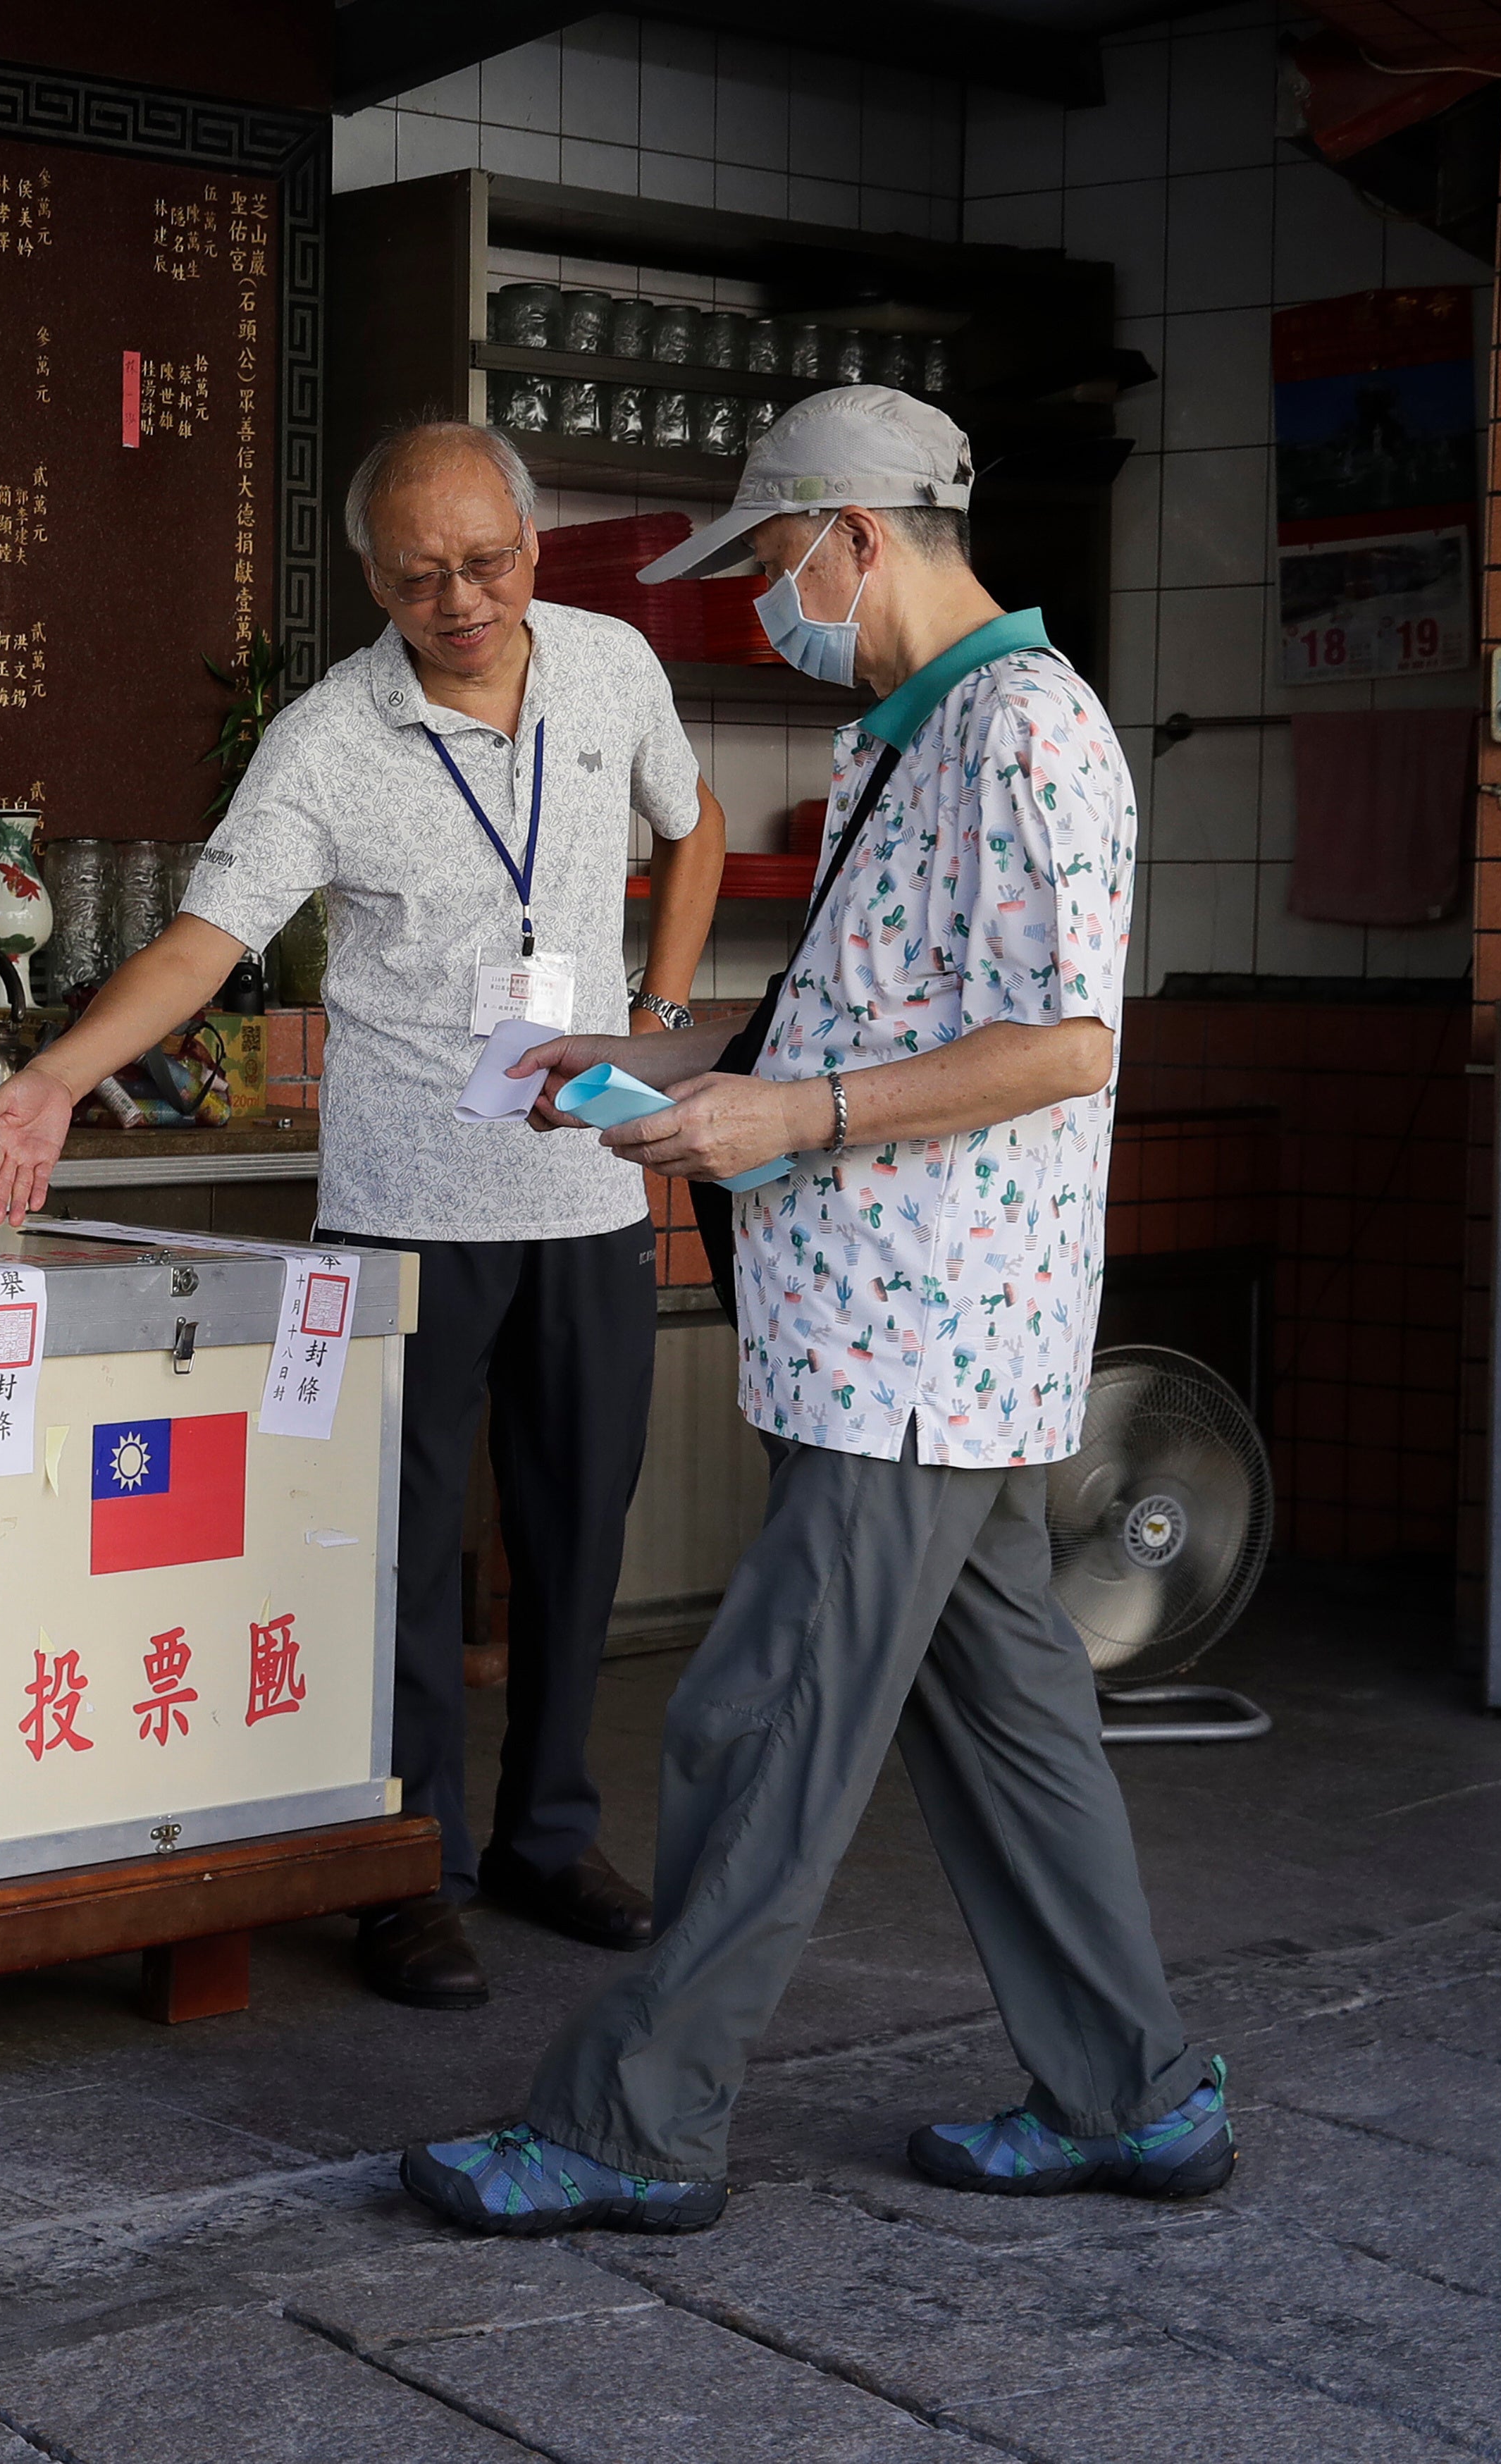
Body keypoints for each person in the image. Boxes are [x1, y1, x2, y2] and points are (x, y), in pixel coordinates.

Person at [404, 388, 1231, 2238]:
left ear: (859, 535)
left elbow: (1064, 1042)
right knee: (1012, 1731)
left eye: (776, 562)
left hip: (919, 1350)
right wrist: (642, 1067)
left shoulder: (1026, 731)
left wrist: (793, 1120)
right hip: (898, 1341)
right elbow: (856, 1014)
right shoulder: (910, 734)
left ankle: (635, 2120)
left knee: (759, 1722)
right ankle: (1134, 2094)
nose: (768, 603)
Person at [0, 419, 731, 2009]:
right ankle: (405, 1868)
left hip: (589, 1189)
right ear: (372, 580)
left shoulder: (609, 665)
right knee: (398, 1553)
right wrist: (53, 1077)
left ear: (533, 546)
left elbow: (695, 819)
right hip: (405, 1214)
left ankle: (548, 1835)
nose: (462, 600)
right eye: (421, 575)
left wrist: (654, 1016)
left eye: (489, 562)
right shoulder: (325, 738)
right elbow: (205, 940)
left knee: (578, 1536)